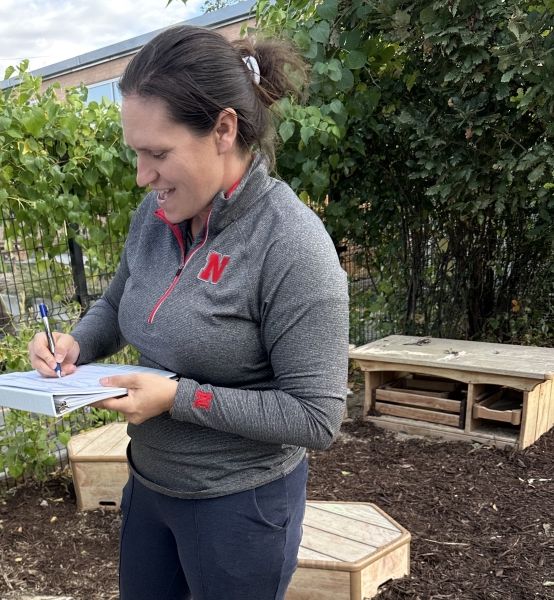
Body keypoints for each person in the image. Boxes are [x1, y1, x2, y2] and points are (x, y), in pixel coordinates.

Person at [29, 24, 349, 600]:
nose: (142, 176)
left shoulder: (290, 246)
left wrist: (178, 397)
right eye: (136, 153)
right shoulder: (156, 216)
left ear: (224, 129)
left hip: (240, 507)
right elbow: (114, 303)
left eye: (158, 153)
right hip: (150, 487)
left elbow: (316, 418)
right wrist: (75, 343)